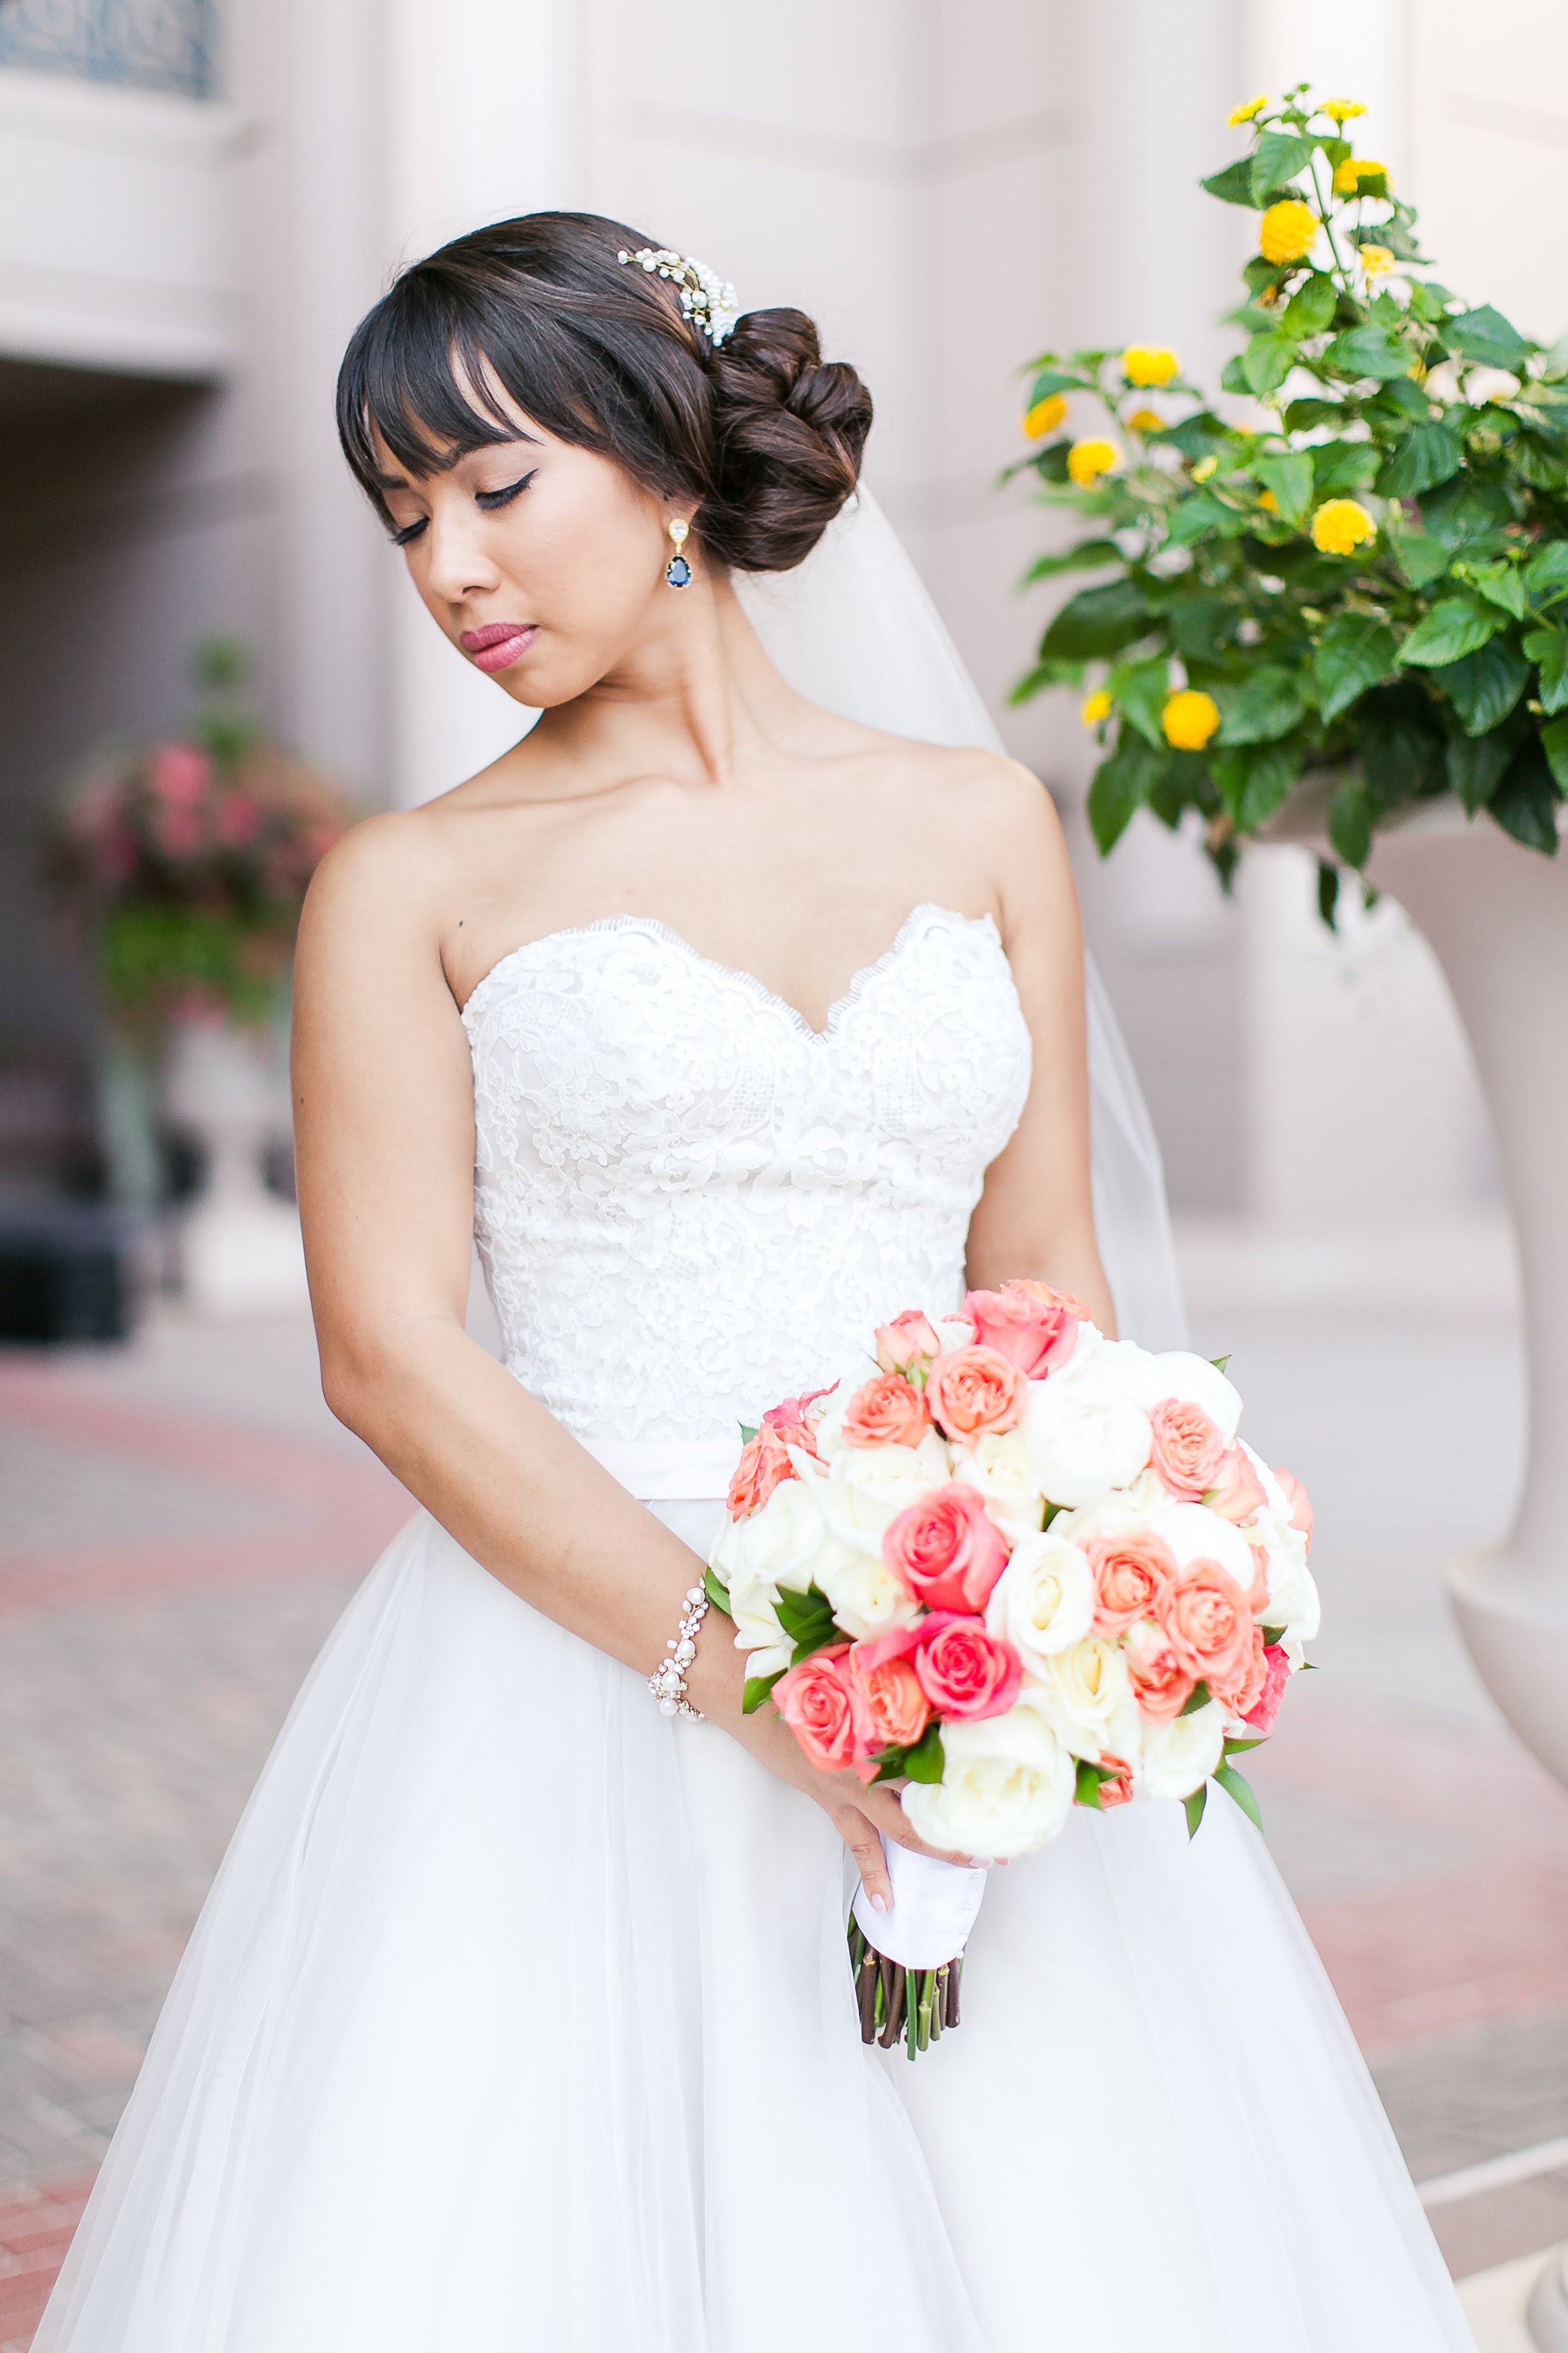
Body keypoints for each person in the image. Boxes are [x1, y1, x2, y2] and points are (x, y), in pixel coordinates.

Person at [36, 213, 1475, 2352]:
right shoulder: (408, 887)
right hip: (573, 1670)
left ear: (671, 461)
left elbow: (1046, 1278)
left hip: (971, 1643)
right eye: (402, 514)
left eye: (495, 486)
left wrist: (1099, 1579)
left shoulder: (985, 823)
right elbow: (390, 1357)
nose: (447, 567)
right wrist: (772, 1690)